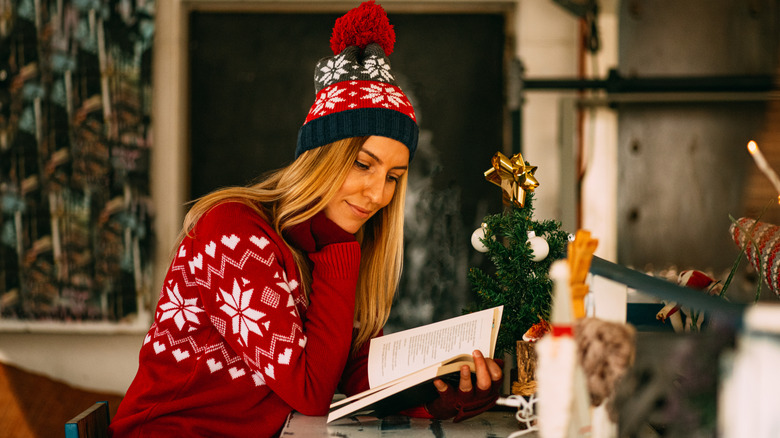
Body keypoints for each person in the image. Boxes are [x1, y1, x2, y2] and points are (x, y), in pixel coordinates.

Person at [109, 2, 502, 436]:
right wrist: (338, 249)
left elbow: (350, 371)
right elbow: (312, 391)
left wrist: (442, 395)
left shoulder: (332, 241)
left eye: (393, 177)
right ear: (322, 158)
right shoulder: (233, 231)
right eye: (363, 164)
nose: (378, 195)